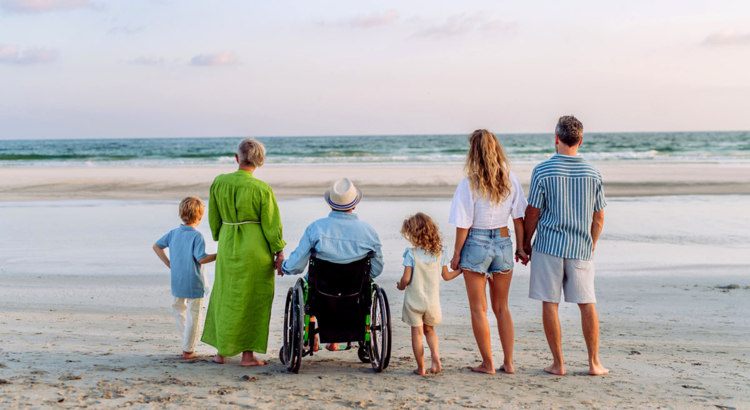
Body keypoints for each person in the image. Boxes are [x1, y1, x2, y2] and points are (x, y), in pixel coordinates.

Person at [523, 115, 609, 376]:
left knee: (550, 303)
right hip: (581, 247)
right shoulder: (594, 173)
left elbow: (533, 212)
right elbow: (599, 216)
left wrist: (525, 243)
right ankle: (594, 363)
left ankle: (558, 364)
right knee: (587, 303)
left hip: (548, 246)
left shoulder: (542, 170)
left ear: (557, 138)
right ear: (580, 141)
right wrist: (591, 244)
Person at [449, 129, 529, 375]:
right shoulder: (510, 179)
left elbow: (463, 224)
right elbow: (518, 218)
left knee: (478, 308)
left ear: (473, 153)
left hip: (475, 243)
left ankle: (488, 363)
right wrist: (521, 247)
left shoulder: (468, 183)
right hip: (504, 241)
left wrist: (456, 255)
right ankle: (509, 362)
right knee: (502, 307)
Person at [201, 138, 286, 367]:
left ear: (237, 158)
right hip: (255, 249)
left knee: (225, 296)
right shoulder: (262, 189)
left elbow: (214, 219)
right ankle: (247, 357)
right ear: (260, 162)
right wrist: (279, 251)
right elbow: (271, 225)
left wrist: (222, 235)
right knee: (253, 299)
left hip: (228, 244)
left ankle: (221, 352)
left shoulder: (219, 182)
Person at [281, 177, 384, 351]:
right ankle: (335, 341)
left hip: (321, 292)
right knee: (360, 285)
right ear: (354, 205)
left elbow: (295, 266)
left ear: (330, 205)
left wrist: (283, 266)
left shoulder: (316, 228)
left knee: (307, 286)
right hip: (355, 293)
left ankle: (314, 331)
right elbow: (376, 269)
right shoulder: (368, 231)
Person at [396, 212, 462, 375]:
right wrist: (460, 271)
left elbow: (406, 278)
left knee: (417, 334)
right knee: (430, 331)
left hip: (414, 302)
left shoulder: (411, 253)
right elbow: (446, 276)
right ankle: (435, 355)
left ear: (413, 235)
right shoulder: (440, 253)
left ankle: (421, 367)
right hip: (432, 303)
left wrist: (400, 286)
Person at [152, 196, 217, 359]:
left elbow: (157, 246)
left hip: (178, 280)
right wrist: (219, 255)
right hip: (194, 282)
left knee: (179, 309)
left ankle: (185, 342)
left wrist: (169, 264)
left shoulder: (173, 233)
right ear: (200, 218)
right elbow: (201, 258)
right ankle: (188, 349)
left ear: (181, 214)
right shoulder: (197, 236)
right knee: (194, 314)